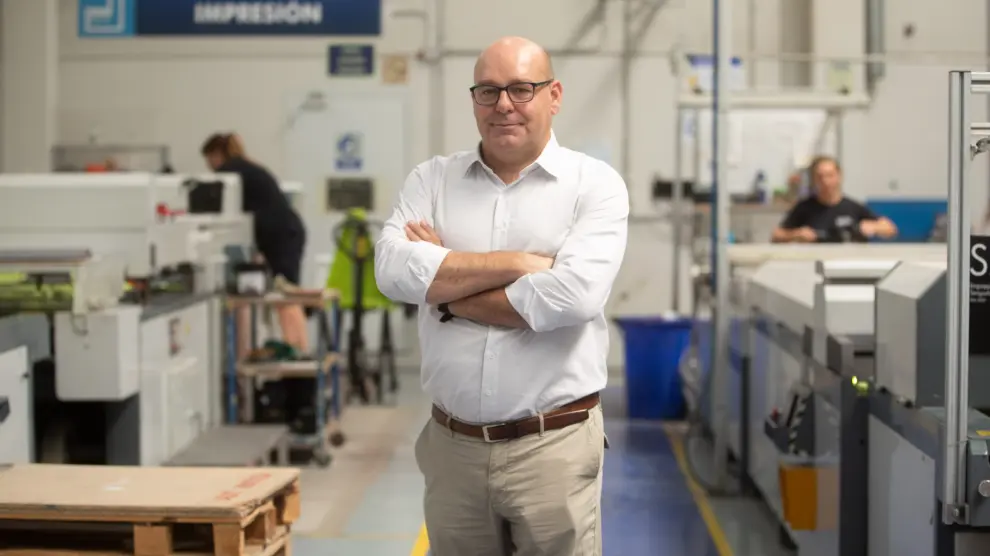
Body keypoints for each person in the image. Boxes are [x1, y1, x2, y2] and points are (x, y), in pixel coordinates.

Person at [374, 36, 629, 556]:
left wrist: (444, 291)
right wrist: (518, 264)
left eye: (521, 89)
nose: (504, 105)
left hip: (552, 447)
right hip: (453, 448)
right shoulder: (433, 180)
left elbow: (571, 297)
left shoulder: (593, 185)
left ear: (553, 95)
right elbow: (393, 271)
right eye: (488, 91)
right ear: (473, 100)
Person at [201, 132, 309, 352]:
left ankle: (298, 351)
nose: (209, 166)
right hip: (287, 230)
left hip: (281, 234)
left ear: (216, 155)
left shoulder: (228, 173)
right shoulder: (247, 168)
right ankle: (296, 349)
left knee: (285, 295)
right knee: (287, 294)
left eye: (209, 159)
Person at [771, 155, 898, 243]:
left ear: (839, 176)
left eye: (830, 175)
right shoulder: (804, 208)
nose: (826, 181)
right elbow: (776, 235)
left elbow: (890, 229)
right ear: (814, 180)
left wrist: (873, 227)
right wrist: (797, 234)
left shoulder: (853, 207)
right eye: (820, 177)